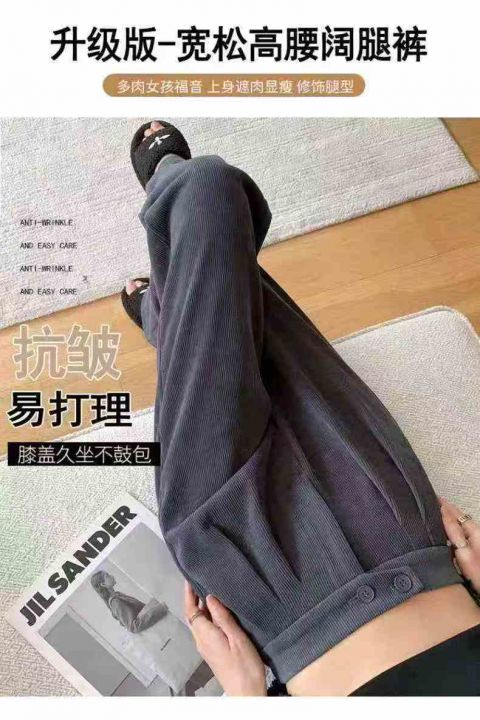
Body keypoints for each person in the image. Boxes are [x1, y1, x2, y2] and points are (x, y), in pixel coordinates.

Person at [121, 120, 480, 696]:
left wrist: (247, 696)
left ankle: (167, 301)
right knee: (217, 209)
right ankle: (165, 316)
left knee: (206, 187)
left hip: (259, 575)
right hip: (397, 532)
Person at [90, 570, 208, 694]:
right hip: (160, 639)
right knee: (187, 668)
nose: (111, 576)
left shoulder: (117, 596)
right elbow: (134, 626)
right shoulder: (116, 602)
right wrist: (159, 609)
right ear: (103, 584)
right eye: (107, 576)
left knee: (187, 669)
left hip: (162, 640)